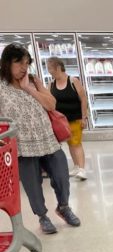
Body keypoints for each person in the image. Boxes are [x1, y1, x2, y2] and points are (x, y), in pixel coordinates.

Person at [0, 43, 81, 234]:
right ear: (6, 63)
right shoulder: (1, 88)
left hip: (47, 139)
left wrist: (30, 89)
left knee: (62, 175)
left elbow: (51, 104)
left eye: (26, 63)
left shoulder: (33, 81)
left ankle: (63, 207)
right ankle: (42, 217)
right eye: (18, 62)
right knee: (32, 184)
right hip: (22, 146)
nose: (23, 67)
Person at [47, 57, 88, 181]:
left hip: (75, 119)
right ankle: (76, 166)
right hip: (61, 122)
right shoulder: (51, 84)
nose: (49, 71)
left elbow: (83, 99)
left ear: (58, 68)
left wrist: (84, 117)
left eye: (50, 68)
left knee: (76, 143)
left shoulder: (73, 81)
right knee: (70, 143)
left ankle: (82, 169)